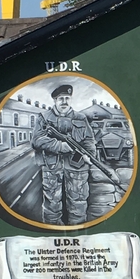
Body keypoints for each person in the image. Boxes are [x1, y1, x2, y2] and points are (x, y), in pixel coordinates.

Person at [31, 83, 98, 225]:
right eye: (61, 98)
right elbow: (36, 140)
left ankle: (79, 234)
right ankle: (51, 234)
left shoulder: (81, 118)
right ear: (55, 100)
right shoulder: (44, 118)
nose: (64, 102)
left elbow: (89, 140)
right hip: (52, 167)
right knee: (51, 206)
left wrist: (90, 156)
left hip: (77, 167)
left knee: (78, 203)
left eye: (67, 98)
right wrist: (60, 146)